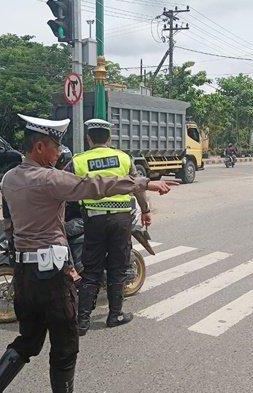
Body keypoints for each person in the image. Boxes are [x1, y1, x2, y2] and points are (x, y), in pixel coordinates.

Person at [0, 114, 175, 393]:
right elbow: (92, 185)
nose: (58, 153)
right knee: (65, 346)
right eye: (55, 147)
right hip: (51, 278)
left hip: (23, 275)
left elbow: (9, 225)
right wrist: (143, 183)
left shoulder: (9, 179)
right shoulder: (49, 179)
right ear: (40, 147)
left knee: (28, 341)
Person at [67, 118, 152, 336]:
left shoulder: (78, 161)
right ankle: (115, 315)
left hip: (93, 221)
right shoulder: (123, 158)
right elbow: (138, 186)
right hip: (121, 221)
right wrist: (145, 210)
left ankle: (82, 321)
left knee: (92, 268)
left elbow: (62, 186)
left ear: (88, 139)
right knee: (118, 266)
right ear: (110, 138)